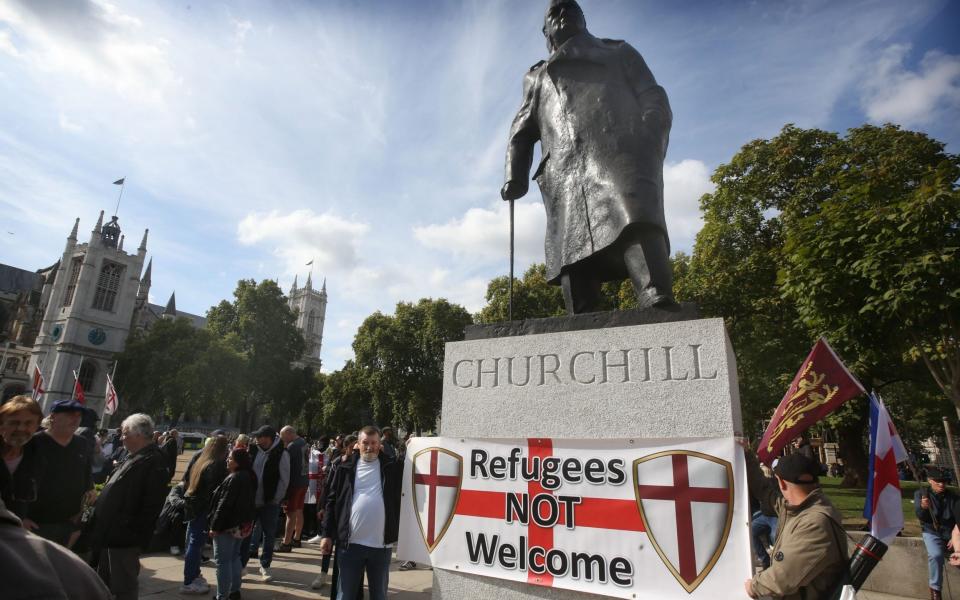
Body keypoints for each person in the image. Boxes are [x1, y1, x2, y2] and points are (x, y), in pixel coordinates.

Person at [501, 0, 673, 314]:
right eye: (555, 12)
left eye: (571, 8)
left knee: (635, 215)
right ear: (546, 32)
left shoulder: (619, 52)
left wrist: (648, 132)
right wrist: (515, 174)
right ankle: (580, 315)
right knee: (571, 247)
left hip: (620, 152)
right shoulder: (536, 77)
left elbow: (652, 94)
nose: (563, 13)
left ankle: (655, 294)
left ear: (583, 18)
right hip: (564, 169)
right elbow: (521, 129)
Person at [742, 443, 847, 599]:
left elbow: (782, 578)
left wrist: (754, 586)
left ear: (781, 482)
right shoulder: (798, 507)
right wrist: (746, 454)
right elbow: (763, 490)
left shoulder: (815, 523)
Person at [86, 413, 170, 600]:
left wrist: (130, 531)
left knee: (123, 587)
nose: (122, 438)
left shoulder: (153, 461)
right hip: (111, 534)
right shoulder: (135, 456)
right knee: (104, 583)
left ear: (139, 435)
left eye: (126, 434)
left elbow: (151, 505)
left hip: (124, 538)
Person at [320, 426, 403, 600]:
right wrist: (326, 534)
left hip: (381, 547)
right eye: (365, 443)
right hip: (350, 545)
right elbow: (331, 501)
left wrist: (413, 446)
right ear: (358, 444)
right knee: (345, 595)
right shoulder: (344, 467)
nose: (369, 447)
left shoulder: (392, 467)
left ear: (380, 444)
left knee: (379, 595)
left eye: (373, 443)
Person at [0, 496, 111, 600]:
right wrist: (22, 517)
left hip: (72, 534)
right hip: (39, 529)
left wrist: (82, 518)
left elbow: (90, 499)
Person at [30, 399, 94, 546]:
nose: (76, 419)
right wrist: (22, 517)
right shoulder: (34, 443)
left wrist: (89, 489)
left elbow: (86, 474)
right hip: (37, 523)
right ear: (53, 417)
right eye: (70, 415)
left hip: (69, 523)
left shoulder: (81, 443)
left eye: (79, 415)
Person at [179, 436, 230, 594]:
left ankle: (193, 576)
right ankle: (189, 580)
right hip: (203, 509)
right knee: (195, 544)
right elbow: (217, 491)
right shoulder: (217, 465)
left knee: (193, 543)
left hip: (194, 506)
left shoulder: (202, 459)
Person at [208, 448, 257, 600]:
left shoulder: (234, 478)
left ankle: (222, 595)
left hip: (227, 526)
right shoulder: (250, 475)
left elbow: (224, 505)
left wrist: (215, 527)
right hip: (241, 525)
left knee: (223, 562)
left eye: (230, 458)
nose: (227, 461)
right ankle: (234, 591)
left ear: (238, 462)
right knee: (235, 557)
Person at [242, 425, 289, 582]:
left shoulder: (281, 453)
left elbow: (284, 479)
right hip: (250, 500)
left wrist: (276, 499)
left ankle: (265, 566)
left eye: (259, 436)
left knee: (268, 535)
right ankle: (242, 564)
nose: (256, 439)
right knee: (245, 533)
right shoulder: (253, 449)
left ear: (268, 438)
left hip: (270, 502)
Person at [915, 466, 958, 600]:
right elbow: (921, 517)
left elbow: (958, 519)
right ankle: (935, 590)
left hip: (951, 533)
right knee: (936, 555)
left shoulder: (953, 497)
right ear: (930, 481)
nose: (941, 484)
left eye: (944, 481)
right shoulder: (921, 494)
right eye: (938, 481)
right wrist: (923, 507)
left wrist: (955, 538)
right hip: (931, 531)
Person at [0, 395, 42, 522]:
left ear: (37, 426)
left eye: (28, 423)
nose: (21, 429)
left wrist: (27, 517)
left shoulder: (39, 455)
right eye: (14, 423)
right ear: (1, 425)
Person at [278, 425, 308, 552]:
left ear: (290, 433)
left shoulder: (292, 446)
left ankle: (286, 542)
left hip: (294, 483)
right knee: (299, 510)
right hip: (304, 481)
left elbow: (285, 464)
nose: (283, 440)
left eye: (283, 437)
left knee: (290, 513)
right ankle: (297, 538)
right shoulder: (303, 443)